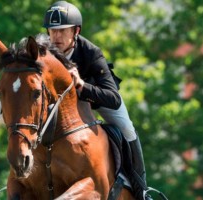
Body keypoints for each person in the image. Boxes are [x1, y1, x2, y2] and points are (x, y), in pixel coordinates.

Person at [43, 1, 150, 199]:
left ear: (76, 31)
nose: (56, 36)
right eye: (52, 31)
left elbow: (113, 99)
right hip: (60, 104)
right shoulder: (43, 52)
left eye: (62, 31)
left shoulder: (91, 52)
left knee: (127, 128)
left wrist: (82, 85)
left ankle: (141, 188)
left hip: (94, 97)